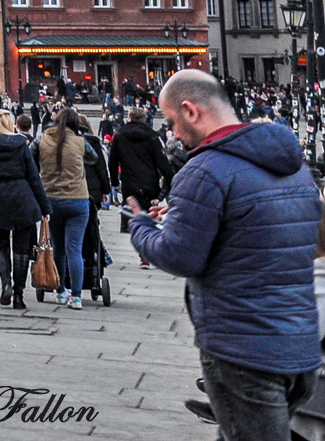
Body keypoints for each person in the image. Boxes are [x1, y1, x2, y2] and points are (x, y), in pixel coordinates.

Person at [131, 70, 320, 441]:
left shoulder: (204, 171)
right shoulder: (295, 166)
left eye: (171, 122)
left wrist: (142, 228)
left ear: (191, 110)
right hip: (300, 347)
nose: (173, 134)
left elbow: (180, 257)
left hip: (244, 351)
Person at [0, 108, 48, 310]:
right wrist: (45, 207)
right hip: (22, 198)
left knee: (1, 245)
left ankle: (6, 283)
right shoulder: (21, 146)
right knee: (21, 249)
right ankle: (19, 295)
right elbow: (34, 178)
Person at [38, 107, 92, 309]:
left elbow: (32, 158)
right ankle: (76, 297)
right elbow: (94, 157)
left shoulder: (43, 139)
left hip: (51, 200)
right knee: (74, 249)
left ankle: (60, 291)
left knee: (58, 248)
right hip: (78, 199)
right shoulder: (79, 141)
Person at [108, 107, 171, 263]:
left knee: (134, 216)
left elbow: (112, 161)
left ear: (129, 118)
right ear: (145, 120)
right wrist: (169, 178)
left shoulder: (120, 135)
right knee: (149, 216)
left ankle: (141, 249)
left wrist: (115, 182)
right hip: (150, 184)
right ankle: (145, 253)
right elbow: (162, 162)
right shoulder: (152, 137)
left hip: (129, 182)